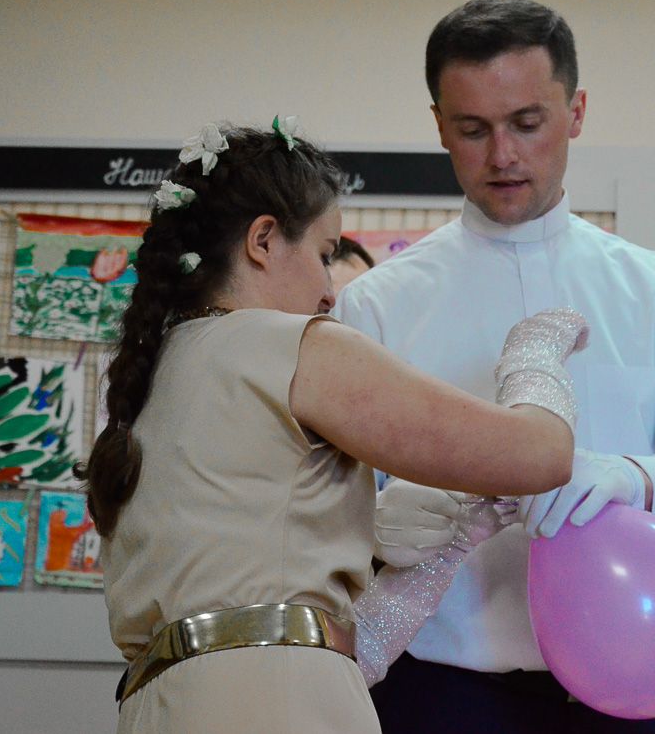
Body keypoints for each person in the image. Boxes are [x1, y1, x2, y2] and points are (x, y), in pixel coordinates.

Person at [334, 0, 655, 734]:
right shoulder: (377, 308)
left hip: (628, 688)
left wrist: (632, 479)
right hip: (439, 696)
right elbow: (317, 511)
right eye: (473, 129)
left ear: (576, 112)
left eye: (526, 123)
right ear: (439, 125)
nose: (502, 155)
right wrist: (370, 526)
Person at [83, 122, 590, 733]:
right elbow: (539, 455)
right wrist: (535, 355)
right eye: (324, 256)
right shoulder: (290, 345)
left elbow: (306, 638)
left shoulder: (155, 375)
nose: (329, 293)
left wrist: (446, 551)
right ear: (263, 240)